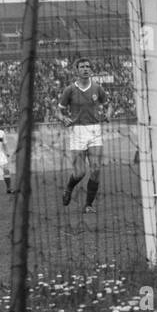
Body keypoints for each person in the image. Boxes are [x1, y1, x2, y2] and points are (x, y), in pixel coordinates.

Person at [59, 58, 108, 212]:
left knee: (96, 169)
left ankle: (88, 205)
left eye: (88, 66)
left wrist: (107, 115)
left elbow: (108, 105)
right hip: (77, 131)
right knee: (80, 172)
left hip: (94, 130)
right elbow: (58, 110)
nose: (86, 69)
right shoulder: (69, 90)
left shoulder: (98, 88)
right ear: (77, 70)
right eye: (82, 67)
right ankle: (68, 188)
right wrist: (63, 118)